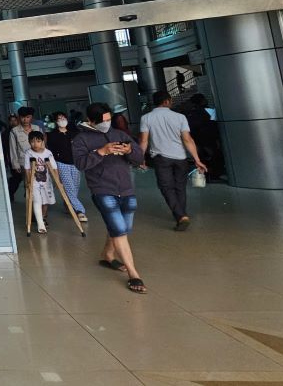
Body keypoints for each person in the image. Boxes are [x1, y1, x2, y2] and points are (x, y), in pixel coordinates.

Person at [73, 102, 148, 294]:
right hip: (102, 189)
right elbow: (81, 164)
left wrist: (130, 151)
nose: (107, 123)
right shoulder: (81, 139)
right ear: (91, 121)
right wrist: (101, 152)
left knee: (122, 228)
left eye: (109, 119)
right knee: (119, 230)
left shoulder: (120, 135)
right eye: (103, 121)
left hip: (125, 187)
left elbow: (139, 158)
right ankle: (133, 274)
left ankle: (107, 254)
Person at [139, 91, 208, 231]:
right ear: (167, 101)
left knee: (166, 187)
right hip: (180, 158)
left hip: (161, 158)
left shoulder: (146, 118)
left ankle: (181, 215)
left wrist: (140, 158)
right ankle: (181, 214)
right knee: (180, 187)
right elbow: (187, 139)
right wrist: (197, 159)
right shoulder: (180, 117)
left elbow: (144, 140)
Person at [46, 111, 87, 222]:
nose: (62, 120)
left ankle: (69, 205)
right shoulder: (52, 135)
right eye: (59, 118)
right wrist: (54, 169)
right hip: (61, 163)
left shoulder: (74, 134)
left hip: (75, 163)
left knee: (75, 187)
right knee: (69, 187)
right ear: (55, 121)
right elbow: (51, 152)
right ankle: (80, 211)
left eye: (63, 118)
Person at [23, 131, 63, 234]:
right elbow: (27, 169)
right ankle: (40, 224)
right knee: (37, 201)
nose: (35, 144)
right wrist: (28, 182)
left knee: (45, 202)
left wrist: (58, 181)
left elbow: (54, 168)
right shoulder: (29, 153)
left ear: (42, 142)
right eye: (32, 141)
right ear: (28, 142)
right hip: (34, 181)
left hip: (46, 181)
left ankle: (43, 218)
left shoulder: (48, 153)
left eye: (38, 141)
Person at [8, 107, 38, 200]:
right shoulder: (14, 131)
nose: (25, 120)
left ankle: (38, 205)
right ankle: (31, 208)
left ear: (31, 117)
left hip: (38, 161)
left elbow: (42, 145)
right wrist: (15, 165)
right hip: (24, 163)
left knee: (39, 184)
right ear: (19, 117)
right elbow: (12, 149)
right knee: (28, 185)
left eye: (28, 117)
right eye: (22, 117)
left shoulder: (36, 128)